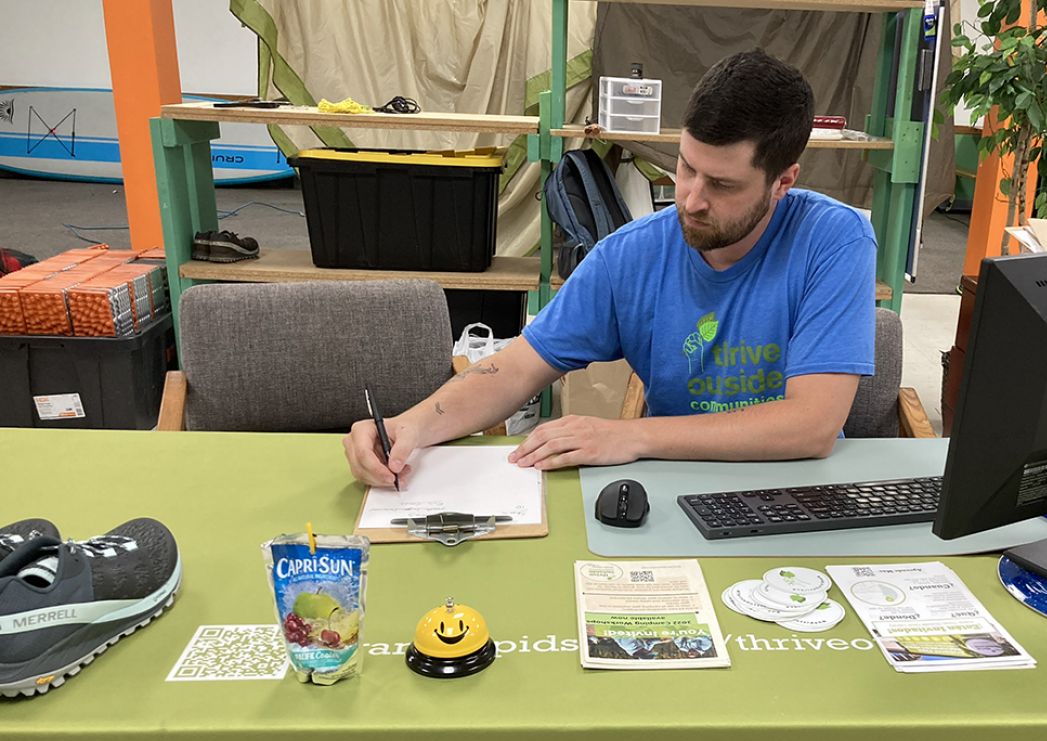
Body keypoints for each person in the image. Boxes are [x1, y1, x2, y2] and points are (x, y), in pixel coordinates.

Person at [344, 49, 878, 488]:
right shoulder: (632, 254)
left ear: (783, 182)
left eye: (722, 185)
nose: (690, 200)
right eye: (686, 167)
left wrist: (635, 435)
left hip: (801, 490)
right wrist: (407, 426)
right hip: (676, 488)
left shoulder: (833, 240)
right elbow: (515, 368)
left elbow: (811, 426)